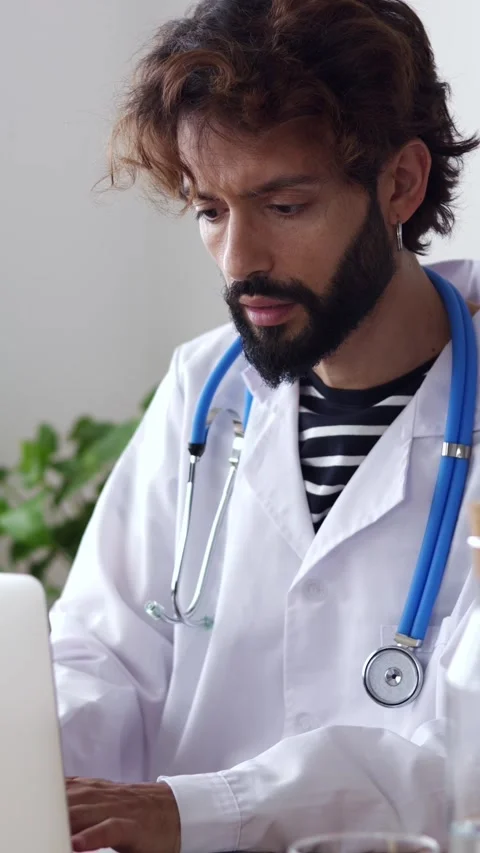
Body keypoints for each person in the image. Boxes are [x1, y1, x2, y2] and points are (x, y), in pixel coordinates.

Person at [52, 1, 480, 851]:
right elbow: (100, 653)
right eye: (210, 209)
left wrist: (199, 810)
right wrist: (33, 763)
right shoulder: (201, 391)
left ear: (401, 182)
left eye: (284, 206)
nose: (240, 259)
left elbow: (464, 761)